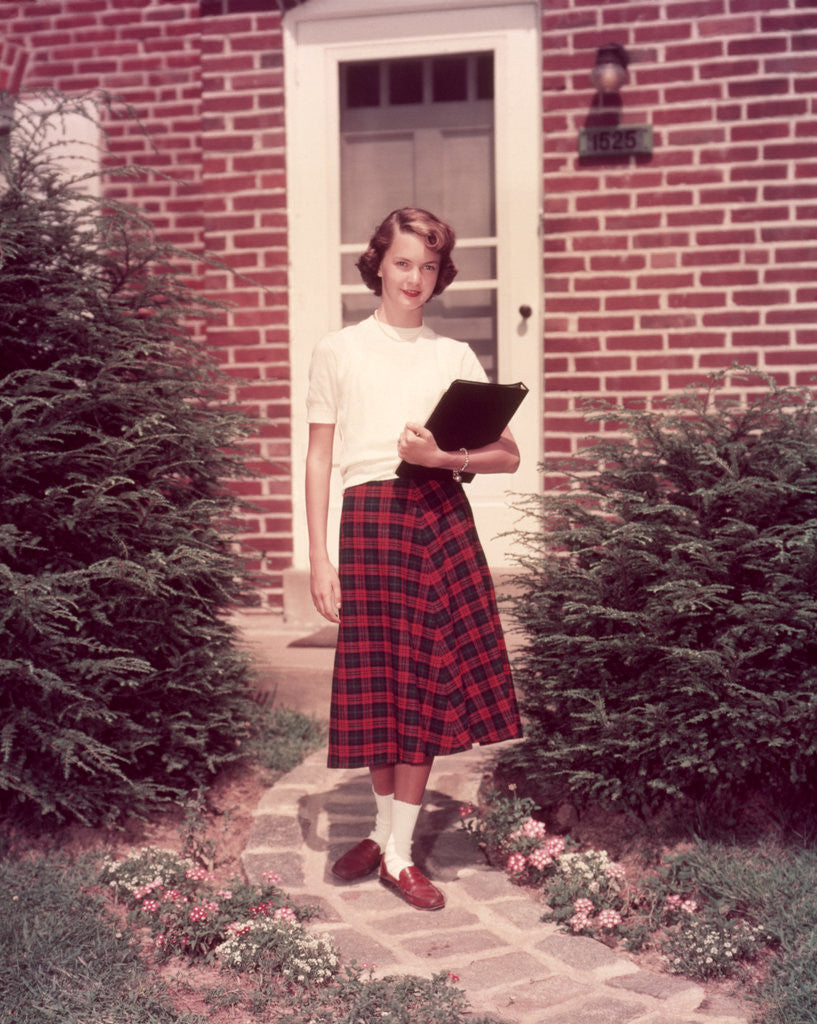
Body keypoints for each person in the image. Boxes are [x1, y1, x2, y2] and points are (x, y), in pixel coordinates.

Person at [305, 207, 522, 911]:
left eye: (428, 267)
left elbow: (506, 454)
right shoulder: (337, 350)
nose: (414, 279)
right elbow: (317, 459)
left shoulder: (451, 356)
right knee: (377, 680)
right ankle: (380, 828)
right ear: (377, 265)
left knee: (424, 681)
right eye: (402, 263)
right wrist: (319, 557)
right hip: (369, 520)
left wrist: (443, 457)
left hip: (436, 514)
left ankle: (397, 854)